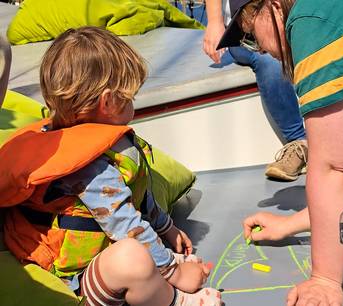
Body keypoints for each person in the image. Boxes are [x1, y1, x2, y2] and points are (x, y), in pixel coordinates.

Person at [0, 26, 222, 306]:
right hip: (78, 278)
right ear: (108, 102)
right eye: (130, 97)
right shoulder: (88, 168)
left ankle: (163, 269)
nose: (133, 104)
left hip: (103, 252)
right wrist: (176, 273)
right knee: (132, 258)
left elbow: (137, 196)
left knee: (139, 251)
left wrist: (167, 229)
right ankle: (175, 300)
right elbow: (125, 224)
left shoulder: (100, 142)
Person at [218, 0, 343, 305]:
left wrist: (324, 280)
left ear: (272, 6)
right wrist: (291, 223)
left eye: (251, 35)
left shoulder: (312, 20)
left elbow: (337, 168)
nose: (256, 50)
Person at [203, 0, 307, 181]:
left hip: (291, 15)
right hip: (247, 24)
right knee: (270, 60)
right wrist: (214, 21)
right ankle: (299, 142)